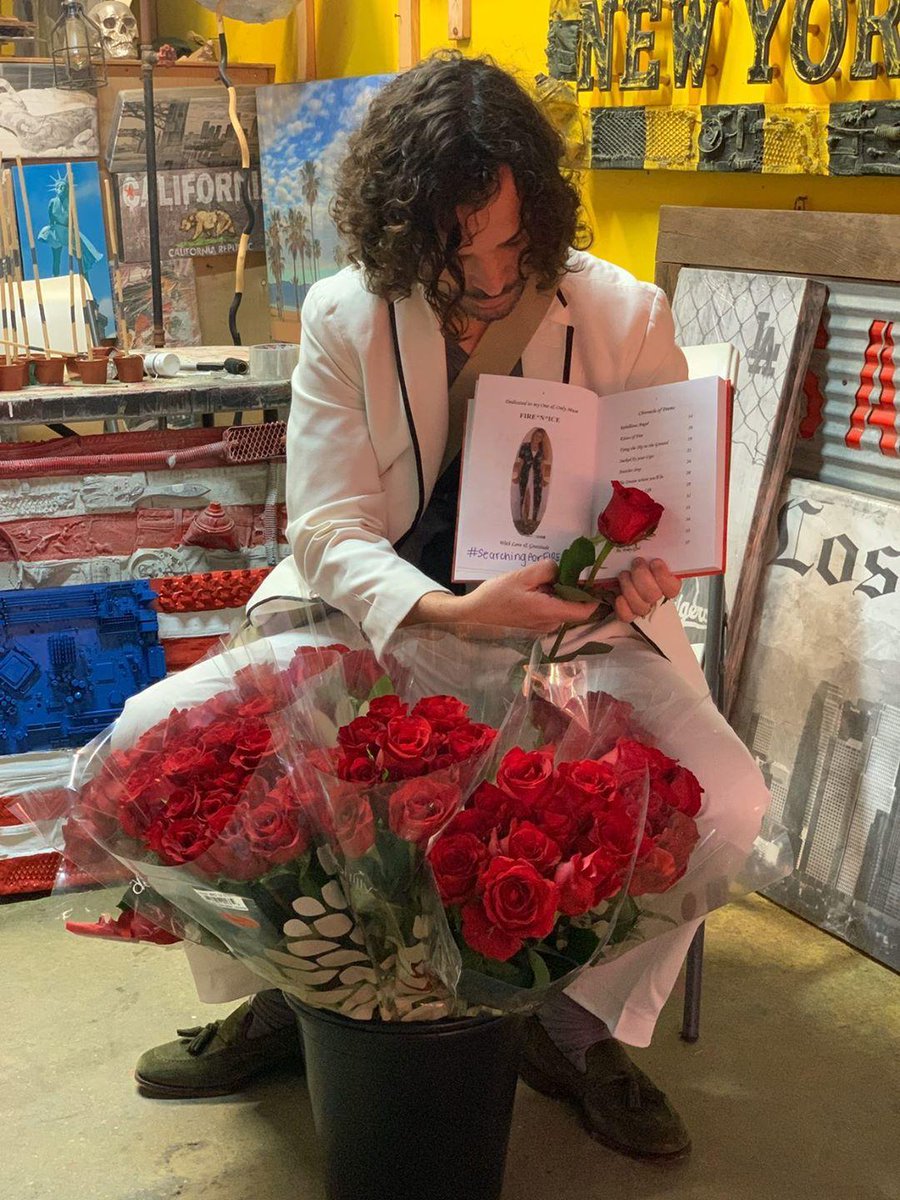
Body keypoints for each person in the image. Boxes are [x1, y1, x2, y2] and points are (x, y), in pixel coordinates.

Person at [133, 53, 761, 1161]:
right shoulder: (344, 314)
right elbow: (325, 530)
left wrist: (654, 568)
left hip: (569, 627)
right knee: (173, 749)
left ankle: (572, 1028)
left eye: (512, 247)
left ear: (547, 211)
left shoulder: (621, 314)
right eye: (451, 252)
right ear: (398, 232)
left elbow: (670, 513)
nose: (483, 280)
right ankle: (285, 989)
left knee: (724, 798)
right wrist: (451, 616)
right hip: (381, 614)